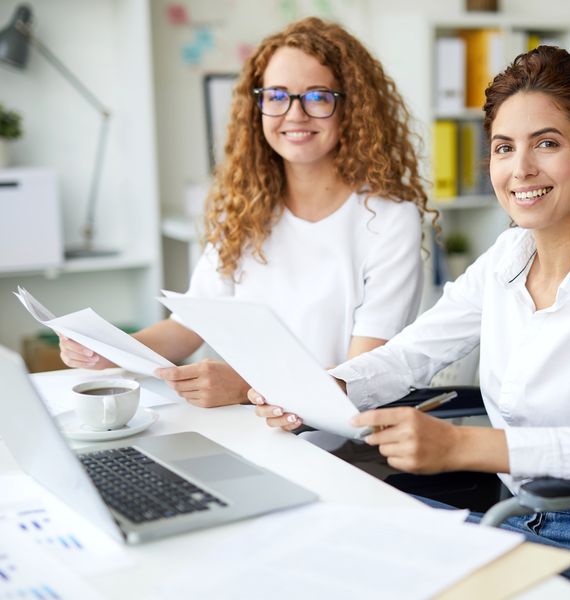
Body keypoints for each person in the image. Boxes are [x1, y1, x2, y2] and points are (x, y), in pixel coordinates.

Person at [251, 45, 570, 592]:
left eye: (546, 143)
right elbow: (412, 353)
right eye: (504, 147)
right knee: (340, 522)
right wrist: (324, 389)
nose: (521, 169)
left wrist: (461, 447)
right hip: (519, 517)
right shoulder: (505, 260)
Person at [59, 18, 433, 408]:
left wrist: (244, 388)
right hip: (243, 426)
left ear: (351, 108)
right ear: (258, 107)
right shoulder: (246, 209)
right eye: (276, 96)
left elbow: (360, 379)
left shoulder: (390, 220)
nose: (295, 114)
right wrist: (109, 350)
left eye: (318, 96)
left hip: (332, 443)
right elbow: (187, 327)